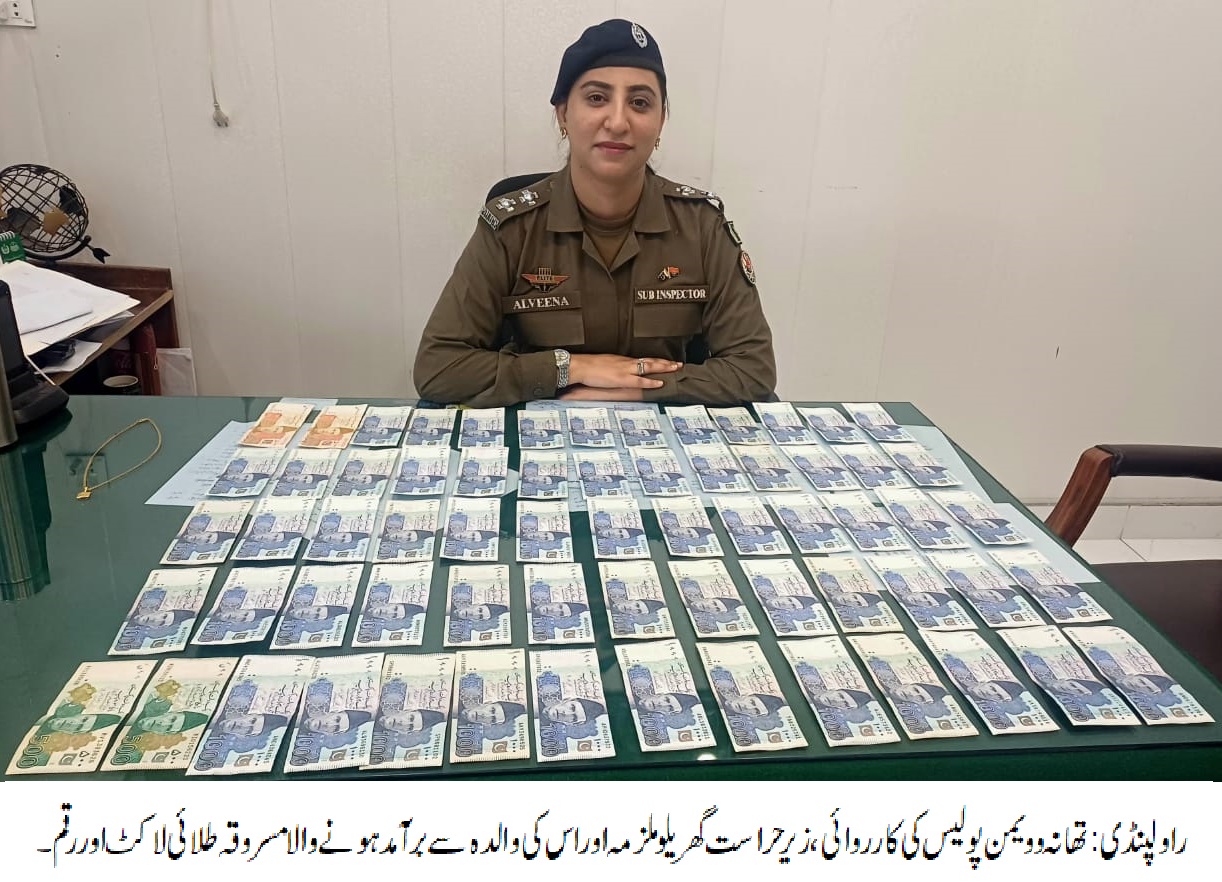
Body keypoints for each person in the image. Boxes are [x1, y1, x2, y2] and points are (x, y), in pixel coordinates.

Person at [413, 19, 775, 406]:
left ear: (660, 123)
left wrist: (641, 387)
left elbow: (754, 369)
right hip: (544, 427)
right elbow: (439, 367)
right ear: (563, 115)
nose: (617, 122)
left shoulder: (702, 225)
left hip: (666, 429)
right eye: (597, 98)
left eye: (640, 103)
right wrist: (572, 369)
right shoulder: (512, 227)